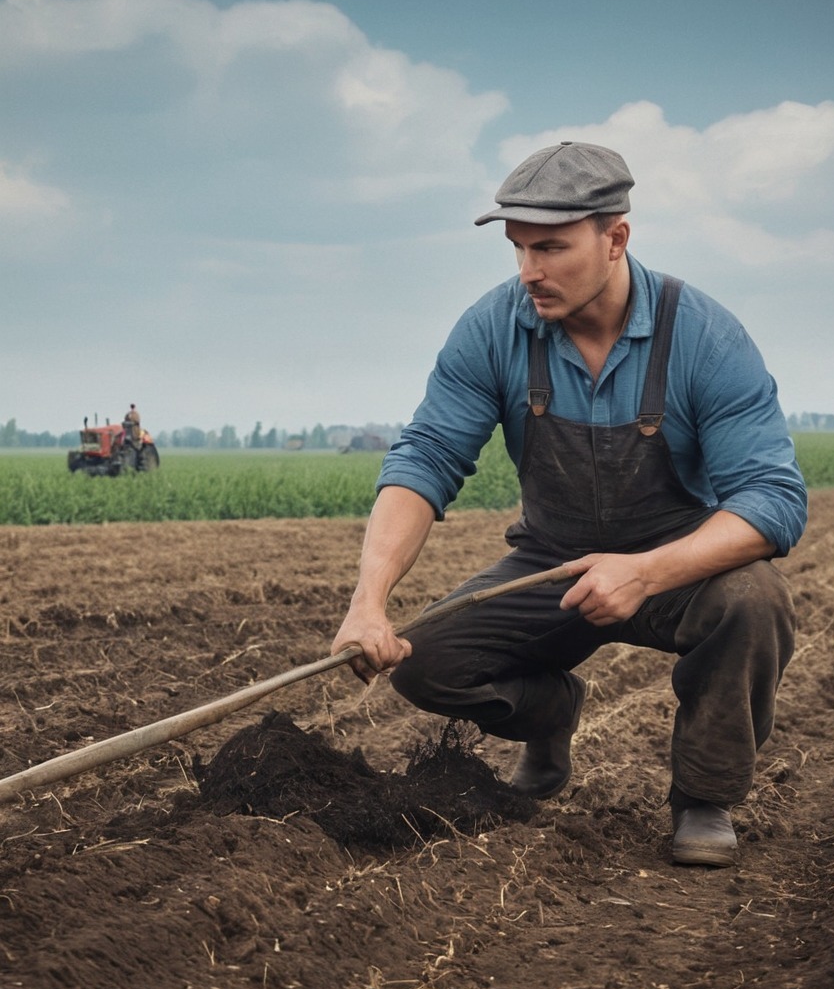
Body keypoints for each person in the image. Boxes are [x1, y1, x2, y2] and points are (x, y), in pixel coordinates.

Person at [332, 141, 807, 867]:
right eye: (519, 249)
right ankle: (551, 714)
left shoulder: (705, 336)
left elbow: (773, 501)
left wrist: (645, 573)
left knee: (754, 601)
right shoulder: (494, 328)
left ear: (615, 239)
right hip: (552, 564)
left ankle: (704, 798)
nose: (530, 272)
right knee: (429, 662)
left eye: (551, 247)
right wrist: (369, 600)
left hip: (681, 566)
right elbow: (426, 458)